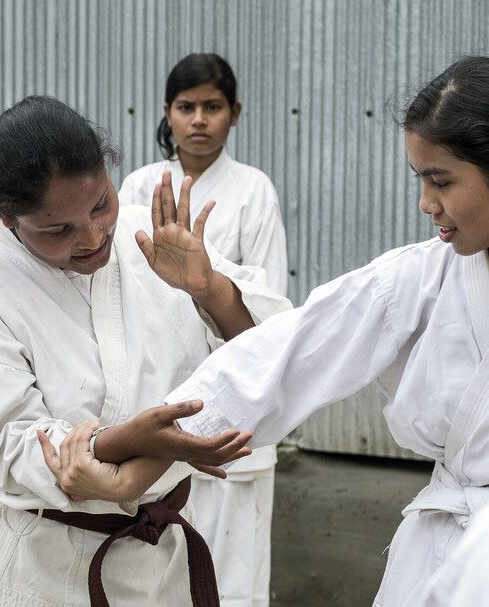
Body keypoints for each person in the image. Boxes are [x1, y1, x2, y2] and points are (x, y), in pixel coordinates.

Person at [92, 55, 489, 607]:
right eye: (420, 180)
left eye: (441, 180)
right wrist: (147, 437)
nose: (425, 204)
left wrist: (211, 289)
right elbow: (293, 346)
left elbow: (268, 308)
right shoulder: (417, 278)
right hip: (207, 413)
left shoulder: (254, 189)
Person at [0, 95, 290, 606]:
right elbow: (12, 447)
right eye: (58, 230)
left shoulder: (152, 236)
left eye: (101, 204)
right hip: (41, 570)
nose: (93, 236)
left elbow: (278, 343)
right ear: (4, 215)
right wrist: (124, 443)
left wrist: (207, 287)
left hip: (160, 560)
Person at [118, 52, 287, 606]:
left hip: (236, 390)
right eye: (186, 107)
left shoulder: (254, 189)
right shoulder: (140, 187)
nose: (198, 119)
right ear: (166, 113)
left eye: (212, 107)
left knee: (235, 572)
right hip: (159, 387)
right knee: (158, 565)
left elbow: (270, 310)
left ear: (234, 113)